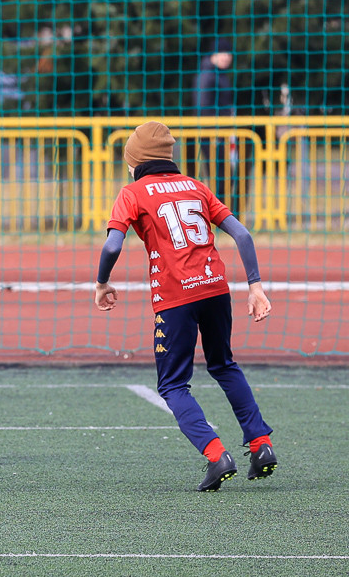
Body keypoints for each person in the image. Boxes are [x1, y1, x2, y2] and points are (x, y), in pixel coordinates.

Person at [94, 121, 277, 492]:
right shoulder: (195, 186)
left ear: (136, 161)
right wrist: (255, 286)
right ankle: (260, 445)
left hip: (175, 298)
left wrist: (101, 283)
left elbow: (113, 245)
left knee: (174, 384)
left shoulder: (132, 192)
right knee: (224, 364)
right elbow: (242, 233)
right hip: (215, 289)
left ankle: (216, 455)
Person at [192, 37, 239, 216]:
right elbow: (202, 106)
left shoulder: (219, 74)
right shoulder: (207, 76)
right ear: (214, 54)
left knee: (225, 174)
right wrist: (218, 130)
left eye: (229, 53)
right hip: (212, 134)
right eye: (223, 53)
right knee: (218, 174)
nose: (227, 57)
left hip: (223, 133)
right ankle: (214, 215)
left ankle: (218, 215)